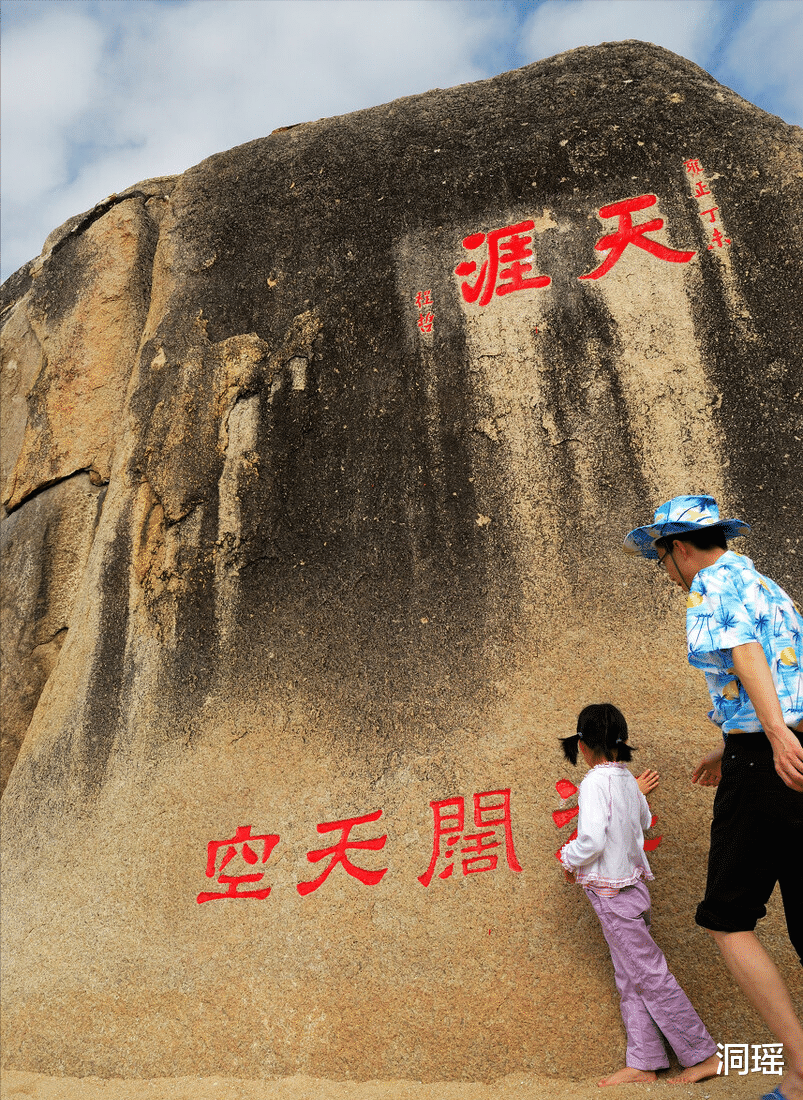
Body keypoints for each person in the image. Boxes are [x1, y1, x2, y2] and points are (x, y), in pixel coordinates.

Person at [625, 494, 803, 1100]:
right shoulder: (765, 585)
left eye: (662, 560)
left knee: (728, 919)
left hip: (769, 761)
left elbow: (746, 654)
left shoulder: (708, 587)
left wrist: (768, 737)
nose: (668, 574)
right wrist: (732, 743)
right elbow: (787, 673)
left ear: (676, 549)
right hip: (780, 747)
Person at [558, 702, 720, 1088]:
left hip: (612, 894)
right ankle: (645, 1060)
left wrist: (568, 858)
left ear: (582, 746)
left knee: (649, 974)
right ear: (621, 743)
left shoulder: (595, 783)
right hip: (632, 889)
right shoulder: (626, 780)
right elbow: (644, 822)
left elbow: (592, 839)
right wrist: (636, 793)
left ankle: (703, 1055)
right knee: (632, 975)